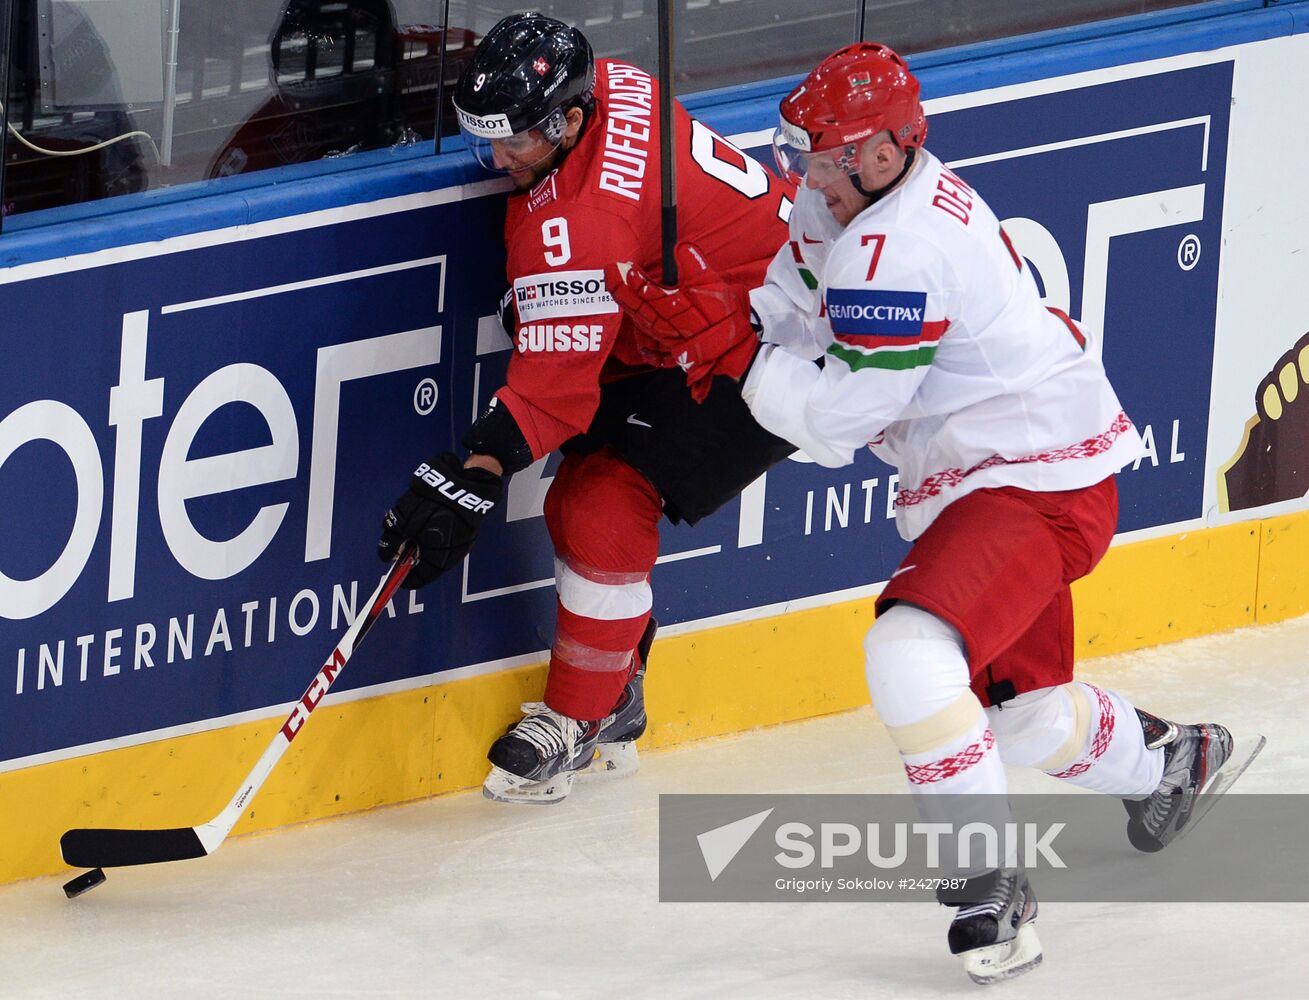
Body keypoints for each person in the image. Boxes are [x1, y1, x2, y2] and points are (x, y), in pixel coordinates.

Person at [608, 42, 1263, 985]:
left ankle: (988, 884)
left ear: (878, 152)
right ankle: (1172, 760)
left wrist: (734, 357)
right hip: (992, 474)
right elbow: (792, 314)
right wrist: (721, 318)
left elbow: (834, 422)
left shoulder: (898, 248)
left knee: (907, 652)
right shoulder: (849, 196)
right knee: (1026, 718)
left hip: (1032, 482)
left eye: (820, 158)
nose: (804, 176)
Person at [377, 14, 795, 804]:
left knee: (596, 498)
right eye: (485, 140)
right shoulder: (607, 83)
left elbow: (552, 394)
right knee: (573, 444)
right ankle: (616, 688)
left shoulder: (581, 222)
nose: (499, 161)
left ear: (569, 122)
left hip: (761, 346)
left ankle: (584, 714)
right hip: (694, 310)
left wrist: (475, 473)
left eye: (516, 143)